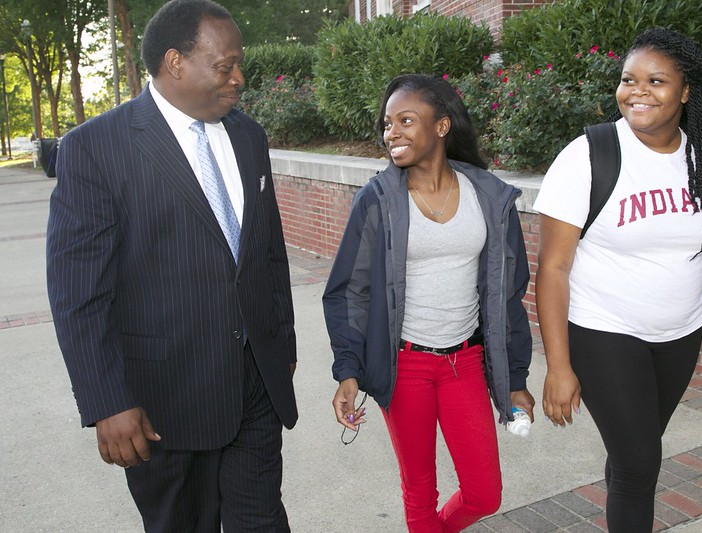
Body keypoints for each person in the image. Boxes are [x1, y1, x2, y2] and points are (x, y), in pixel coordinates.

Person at [533, 27, 702, 532]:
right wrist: (559, 366)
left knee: (636, 451)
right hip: (602, 329)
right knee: (639, 466)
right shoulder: (587, 156)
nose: (637, 92)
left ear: (685, 91)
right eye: (628, 79)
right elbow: (553, 267)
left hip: (680, 334)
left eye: (656, 81)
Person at [46, 0, 298, 530]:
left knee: (264, 522)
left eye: (238, 64)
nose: (239, 78)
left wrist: (283, 345)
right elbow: (79, 294)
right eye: (225, 66)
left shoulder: (249, 137)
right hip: (164, 402)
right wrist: (107, 400)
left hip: (255, 386)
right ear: (175, 62)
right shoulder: (95, 148)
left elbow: (268, 254)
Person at [322, 74, 536, 532]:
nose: (391, 133)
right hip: (405, 366)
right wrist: (348, 370)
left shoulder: (490, 197)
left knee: (484, 493)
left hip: (466, 361)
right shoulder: (377, 201)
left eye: (405, 121)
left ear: (441, 126)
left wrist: (515, 378)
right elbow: (349, 291)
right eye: (387, 124)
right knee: (419, 490)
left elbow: (508, 296)